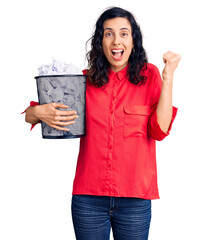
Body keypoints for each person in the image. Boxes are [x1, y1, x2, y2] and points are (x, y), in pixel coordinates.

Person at [24, 6, 181, 240]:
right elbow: (29, 114)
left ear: (133, 40)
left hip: (135, 200)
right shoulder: (84, 80)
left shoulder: (150, 76)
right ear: (101, 42)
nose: (116, 40)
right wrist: (38, 112)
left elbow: (159, 130)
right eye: (109, 33)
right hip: (88, 200)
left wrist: (168, 77)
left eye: (124, 33)